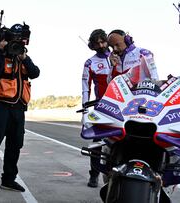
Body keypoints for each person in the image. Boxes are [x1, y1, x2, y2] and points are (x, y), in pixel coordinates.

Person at [0, 23, 40, 194]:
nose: (17, 42)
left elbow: (35, 73)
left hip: (18, 108)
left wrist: (24, 57)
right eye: (15, 39)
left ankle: (9, 179)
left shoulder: (24, 56)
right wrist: (0, 51)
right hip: (1, 107)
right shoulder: (0, 55)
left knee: (15, 144)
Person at [82, 29, 113, 188]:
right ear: (92, 45)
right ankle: (94, 174)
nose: (101, 45)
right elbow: (85, 88)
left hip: (123, 106)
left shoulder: (118, 56)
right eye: (97, 43)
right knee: (97, 142)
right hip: (102, 107)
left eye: (103, 41)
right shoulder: (90, 62)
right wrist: (85, 112)